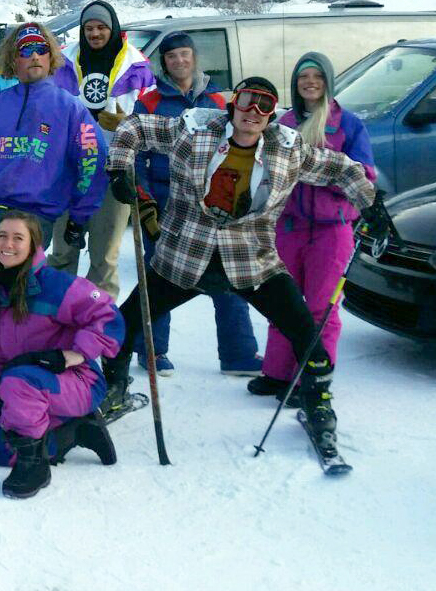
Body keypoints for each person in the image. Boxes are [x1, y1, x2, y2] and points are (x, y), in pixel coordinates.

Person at [102, 76, 392, 447]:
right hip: (185, 258)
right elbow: (134, 126)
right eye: (247, 101)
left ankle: (317, 401)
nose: (253, 112)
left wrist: (371, 203)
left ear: (272, 115)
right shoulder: (193, 131)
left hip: (251, 262)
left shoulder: (287, 149)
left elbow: (342, 168)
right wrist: (119, 168)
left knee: (306, 330)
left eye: (264, 105)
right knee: (122, 324)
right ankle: (114, 390)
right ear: (232, 104)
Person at [0, 23, 107, 443]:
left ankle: (37, 394)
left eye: (40, 50)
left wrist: (81, 215)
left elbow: (90, 159)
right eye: (24, 51)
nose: (32, 58)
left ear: (51, 57)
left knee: (28, 312)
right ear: (12, 58)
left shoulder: (70, 108)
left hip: (32, 221)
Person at [131, 31, 259, 376]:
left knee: (227, 276)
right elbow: (134, 157)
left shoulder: (218, 102)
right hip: (165, 202)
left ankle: (238, 354)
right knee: (160, 278)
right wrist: (144, 203)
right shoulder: (150, 103)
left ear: (194, 57)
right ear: (165, 62)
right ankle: (152, 350)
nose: (179, 61)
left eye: (184, 54)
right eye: (172, 57)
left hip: (210, 205)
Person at [254, 54, 376, 398]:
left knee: (321, 307)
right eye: (303, 76)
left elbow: (365, 176)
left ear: (328, 81)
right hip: (289, 227)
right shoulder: (283, 123)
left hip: (331, 229)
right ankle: (277, 373)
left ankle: (311, 378)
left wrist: (324, 173)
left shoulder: (348, 125)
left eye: (317, 76)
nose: (310, 82)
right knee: (283, 302)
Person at [0, 212, 121, 499]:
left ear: (33, 244)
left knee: (18, 382)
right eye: (2, 236)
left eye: (18, 238)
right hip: (32, 385)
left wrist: (74, 354)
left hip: (78, 382)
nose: (8, 243)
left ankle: (35, 468)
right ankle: (77, 430)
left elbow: (108, 315)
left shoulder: (56, 285)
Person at [47, 0, 156, 300]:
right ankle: (55, 320)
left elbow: (150, 119)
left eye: (101, 27)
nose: (95, 33)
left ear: (114, 28)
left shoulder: (135, 64)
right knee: (61, 252)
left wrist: (127, 125)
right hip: (70, 168)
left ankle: (95, 327)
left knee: (103, 258)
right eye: (89, 28)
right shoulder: (64, 61)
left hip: (114, 169)